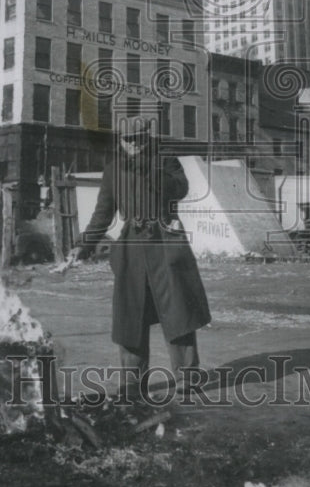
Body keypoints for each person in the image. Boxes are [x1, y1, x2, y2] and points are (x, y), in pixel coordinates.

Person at [73, 115, 211, 402]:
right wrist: (83, 246)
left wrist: (152, 170)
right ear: (120, 140)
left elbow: (181, 190)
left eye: (137, 139)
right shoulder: (112, 171)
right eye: (127, 139)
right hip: (132, 248)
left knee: (178, 314)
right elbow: (102, 214)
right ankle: (133, 385)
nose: (132, 144)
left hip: (164, 243)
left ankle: (187, 378)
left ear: (146, 137)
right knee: (129, 318)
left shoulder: (165, 159)